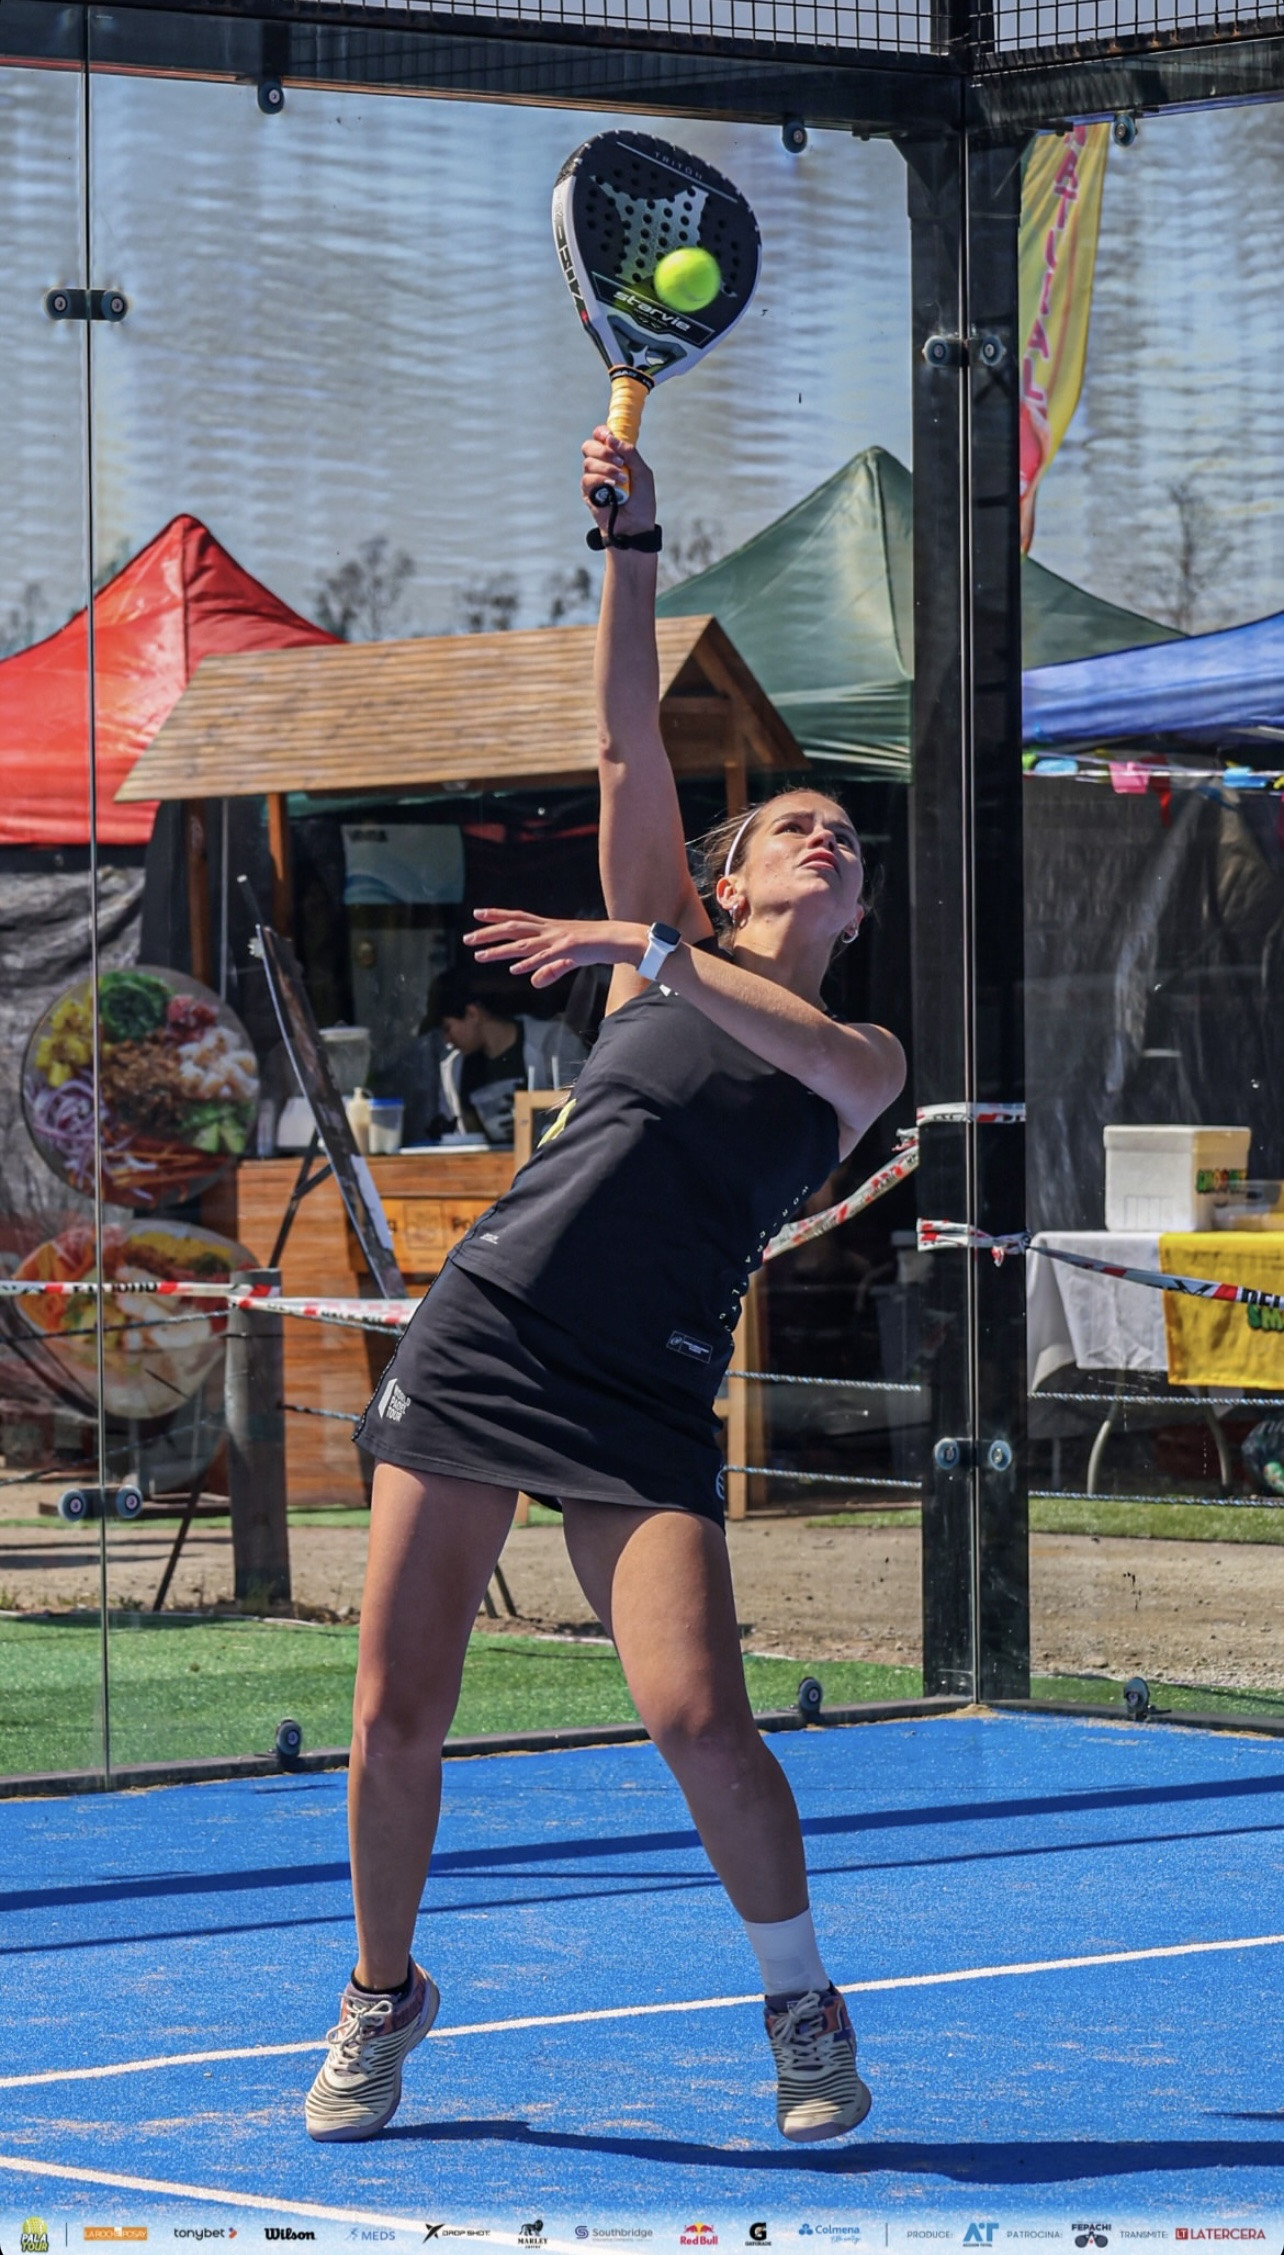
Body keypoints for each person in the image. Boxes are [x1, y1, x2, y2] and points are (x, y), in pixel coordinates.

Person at [304, 428, 906, 2149]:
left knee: (701, 1719)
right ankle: (381, 1996)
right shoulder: (663, 945)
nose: (823, 837)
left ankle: (801, 2005)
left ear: (852, 909)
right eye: (793, 824)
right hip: (485, 1338)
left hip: (642, 1392)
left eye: (843, 836)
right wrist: (632, 548)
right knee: (393, 1711)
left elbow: (788, 1046)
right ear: (725, 878)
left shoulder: (855, 1055)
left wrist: (644, 948)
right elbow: (626, 735)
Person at [430, 972, 587, 1143]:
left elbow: (582, 1106)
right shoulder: (453, 1068)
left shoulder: (552, 1042)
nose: (447, 1040)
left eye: (447, 1028)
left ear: (472, 1013)